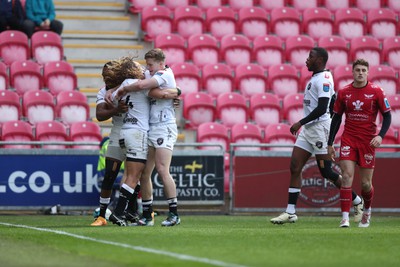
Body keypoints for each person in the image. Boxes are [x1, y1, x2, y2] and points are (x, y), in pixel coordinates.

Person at [270, 47, 363, 225]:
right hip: (309, 130)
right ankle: (290, 212)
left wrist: (300, 122)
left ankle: (357, 202)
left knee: (326, 171)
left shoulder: (324, 79)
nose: (307, 60)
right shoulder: (316, 77)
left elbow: (322, 108)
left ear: (319, 60)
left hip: (320, 128)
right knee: (295, 165)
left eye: (310, 57)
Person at [107, 56, 180, 226]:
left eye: (149, 65)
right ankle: (147, 215)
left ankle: (174, 214)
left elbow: (148, 89)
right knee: (144, 174)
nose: (145, 68)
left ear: (160, 63)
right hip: (148, 129)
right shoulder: (146, 76)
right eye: (143, 66)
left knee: (162, 170)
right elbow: (151, 90)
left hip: (164, 126)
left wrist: (175, 92)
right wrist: (175, 92)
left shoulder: (163, 74)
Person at [327, 59, 392, 228]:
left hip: (368, 141)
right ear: (352, 72)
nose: (360, 73)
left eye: (363, 70)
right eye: (357, 70)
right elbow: (336, 118)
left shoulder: (376, 91)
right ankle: (345, 218)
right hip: (349, 139)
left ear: (368, 72)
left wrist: (381, 136)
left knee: (365, 184)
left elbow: (387, 116)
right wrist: (330, 143)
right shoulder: (344, 92)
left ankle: (367, 212)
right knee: (347, 176)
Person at [91, 60, 141, 226]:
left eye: (108, 74)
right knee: (109, 175)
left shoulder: (131, 85)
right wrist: (116, 110)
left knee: (135, 175)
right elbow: (100, 114)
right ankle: (102, 216)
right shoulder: (103, 92)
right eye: (103, 74)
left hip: (136, 130)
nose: (105, 77)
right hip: (117, 132)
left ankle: (132, 212)